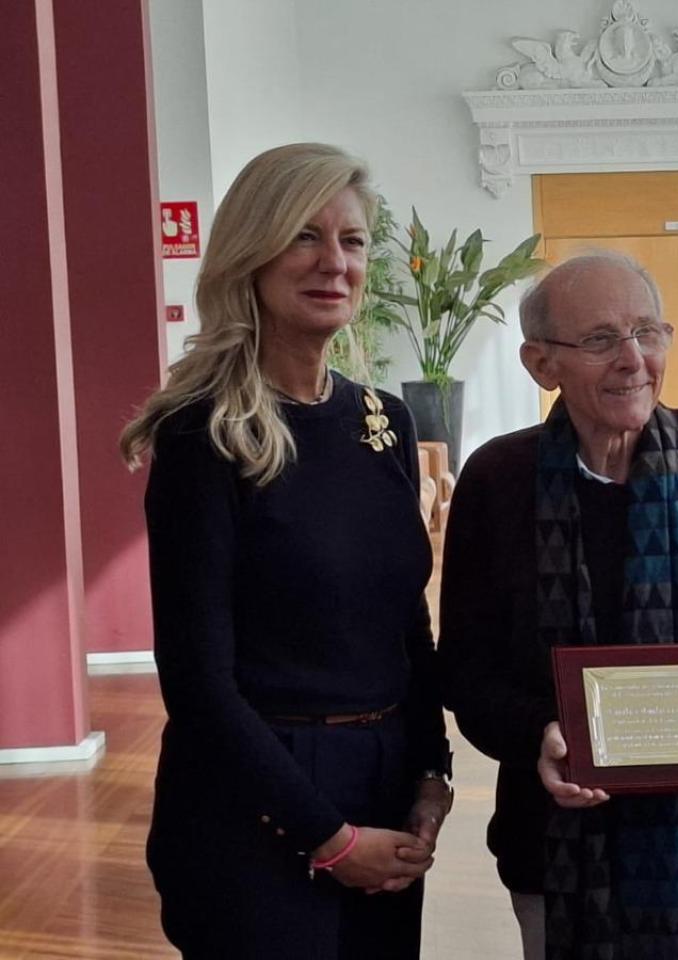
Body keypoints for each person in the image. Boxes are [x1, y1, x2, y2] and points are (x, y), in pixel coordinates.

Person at [437, 251, 678, 960]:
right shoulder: (500, 480)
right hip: (563, 846)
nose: (633, 359)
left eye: (648, 332)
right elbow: (466, 671)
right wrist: (542, 736)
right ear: (541, 364)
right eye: (599, 340)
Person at [120, 142, 452, 959]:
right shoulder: (204, 435)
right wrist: (328, 838)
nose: (333, 262)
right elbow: (198, 685)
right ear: (252, 252)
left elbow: (404, 620)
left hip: (381, 786)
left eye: (352, 241)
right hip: (254, 803)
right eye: (304, 236)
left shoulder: (384, 421)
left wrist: (430, 771)